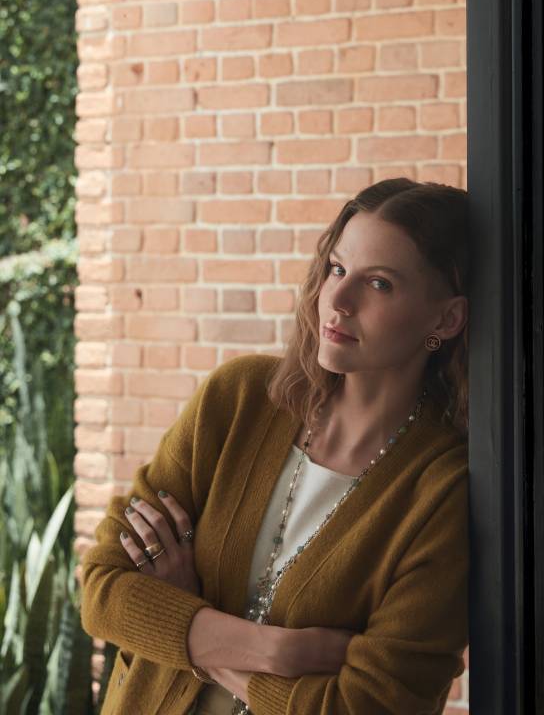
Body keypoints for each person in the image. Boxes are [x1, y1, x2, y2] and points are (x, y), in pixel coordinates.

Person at [79, 177, 470, 715]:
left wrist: (189, 623)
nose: (339, 298)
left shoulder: (440, 491)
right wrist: (282, 651)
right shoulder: (237, 400)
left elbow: (370, 705)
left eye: (379, 284)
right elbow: (102, 587)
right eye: (336, 268)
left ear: (445, 319)